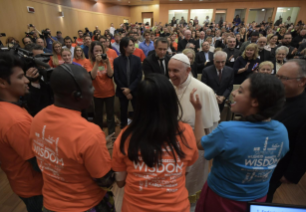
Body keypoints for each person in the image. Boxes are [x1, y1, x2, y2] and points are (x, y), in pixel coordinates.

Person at [194, 73, 289, 212]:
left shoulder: (228, 131)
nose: (233, 93)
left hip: (222, 199)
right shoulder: (281, 130)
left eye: (240, 91)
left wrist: (198, 111)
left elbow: (199, 143)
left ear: (255, 102)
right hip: (258, 198)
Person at [30, 64, 114, 211]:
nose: (93, 90)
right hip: (85, 205)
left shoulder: (37, 119)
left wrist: (94, 150)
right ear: (77, 95)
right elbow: (105, 181)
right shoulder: (89, 133)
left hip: (50, 204)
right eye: (90, 86)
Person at [112, 73, 199, 211]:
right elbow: (185, 171)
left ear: (139, 103)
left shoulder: (126, 135)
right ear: (171, 101)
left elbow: (120, 181)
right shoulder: (186, 132)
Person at [0, 53, 43, 212]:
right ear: (2, 82)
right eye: (20, 77)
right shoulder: (16, 122)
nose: (26, 80)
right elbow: (40, 164)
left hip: (18, 182)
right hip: (36, 189)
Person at [168, 53, 220, 212]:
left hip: (195, 148)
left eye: (176, 71)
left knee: (191, 183)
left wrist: (208, 151)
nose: (171, 75)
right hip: (169, 147)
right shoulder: (168, 85)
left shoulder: (204, 91)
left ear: (188, 70)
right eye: (169, 70)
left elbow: (212, 126)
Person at [267, 60, 306, 203]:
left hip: (278, 167)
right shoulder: (279, 96)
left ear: (302, 81)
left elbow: (303, 149)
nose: (278, 81)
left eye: (284, 78)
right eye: (277, 76)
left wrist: (290, 175)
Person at [85, 41, 115, 135]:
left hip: (109, 91)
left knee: (110, 114)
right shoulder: (88, 62)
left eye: (100, 50)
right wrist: (97, 63)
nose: (98, 53)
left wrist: (108, 64)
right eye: (96, 50)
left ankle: (112, 133)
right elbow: (92, 76)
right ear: (92, 52)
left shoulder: (108, 60)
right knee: (98, 115)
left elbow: (110, 75)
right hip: (97, 93)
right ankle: (99, 133)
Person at [114, 37, 142, 129]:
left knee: (137, 110)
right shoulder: (117, 61)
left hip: (135, 90)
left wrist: (129, 89)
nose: (133, 47)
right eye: (130, 45)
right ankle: (123, 129)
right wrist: (125, 90)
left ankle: (138, 128)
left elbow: (139, 76)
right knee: (123, 111)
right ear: (124, 47)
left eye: (133, 45)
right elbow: (116, 77)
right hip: (122, 91)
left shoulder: (137, 59)